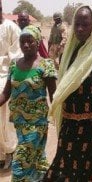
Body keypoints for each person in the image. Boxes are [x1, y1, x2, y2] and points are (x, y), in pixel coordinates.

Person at [44, 5, 92, 181]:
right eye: (77, 24)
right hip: (71, 126)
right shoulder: (69, 54)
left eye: (85, 24)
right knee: (64, 171)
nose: (80, 29)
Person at [0, 25, 56, 181]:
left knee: (20, 162)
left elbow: (53, 95)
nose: (26, 45)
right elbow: (6, 93)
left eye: (30, 41)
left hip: (37, 123)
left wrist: (60, 117)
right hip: (19, 122)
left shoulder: (46, 65)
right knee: (35, 158)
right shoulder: (14, 65)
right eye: (22, 41)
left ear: (38, 42)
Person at [0, 0, 21, 169]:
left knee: (5, 118)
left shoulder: (11, 28)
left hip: (5, 77)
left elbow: (17, 57)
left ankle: (10, 152)